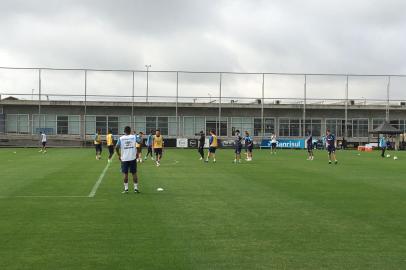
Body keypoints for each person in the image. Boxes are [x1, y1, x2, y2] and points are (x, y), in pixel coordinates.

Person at [115, 126, 139, 193]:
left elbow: (116, 147)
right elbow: (140, 142)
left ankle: (126, 189)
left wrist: (119, 155)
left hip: (124, 158)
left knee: (125, 174)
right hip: (132, 158)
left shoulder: (121, 138)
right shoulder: (134, 137)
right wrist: (139, 136)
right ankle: (136, 189)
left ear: (124, 131)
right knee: (134, 173)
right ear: (130, 131)